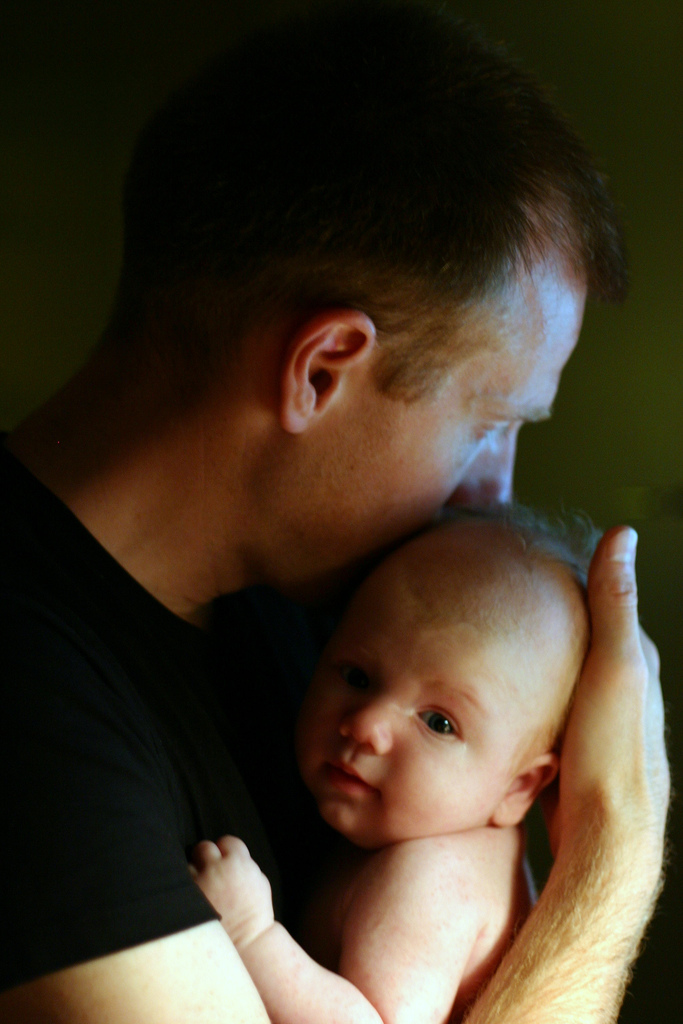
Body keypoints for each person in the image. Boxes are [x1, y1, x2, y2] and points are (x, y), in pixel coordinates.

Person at [0, 2, 667, 1022]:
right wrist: (612, 850)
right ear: (321, 370)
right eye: (490, 420)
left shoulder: (338, 619)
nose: (494, 488)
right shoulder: (35, 713)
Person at [191, 507, 598, 1024]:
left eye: (438, 722)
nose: (367, 725)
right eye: (357, 676)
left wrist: (252, 935)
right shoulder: (434, 830)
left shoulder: (431, 877)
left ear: (519, 786)